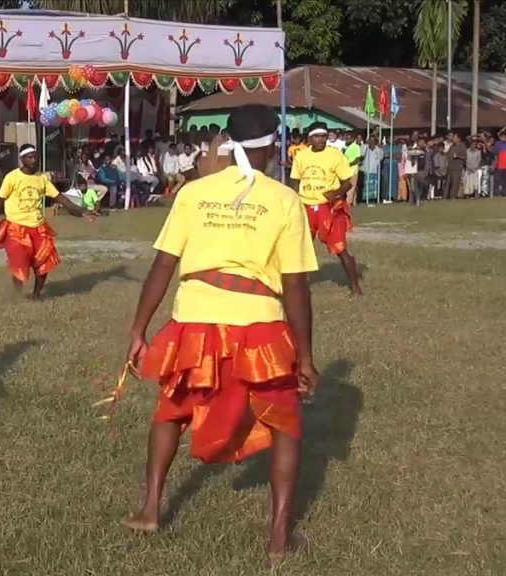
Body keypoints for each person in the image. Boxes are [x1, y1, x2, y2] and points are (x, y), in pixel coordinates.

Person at [122, 104, 319, 564]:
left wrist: (138, 329)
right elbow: (295, 284)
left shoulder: (194, 192)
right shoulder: (285, 200)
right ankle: (278, 538)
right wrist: (305, 357)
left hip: (194, 320)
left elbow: (163, 264)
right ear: (271, 147)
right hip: (259, 325)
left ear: (229, 145)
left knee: (171, 411)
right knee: (285, 423)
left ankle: (150, 510)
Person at [0, 144, 97, 300]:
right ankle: (16, 293)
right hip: (16, 227)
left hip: (39, 227)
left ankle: (36, 295)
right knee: (19, 263)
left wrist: (82, 211)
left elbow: (60, 198)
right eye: (30, 157)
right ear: (22, 159)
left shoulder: (42, 178)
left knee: (44, 262)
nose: (34, 160)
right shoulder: (12, 177)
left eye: (35, 157)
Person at [290, 122, 363, 295]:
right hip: (306, 207)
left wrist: (335, 193)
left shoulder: (335, 155)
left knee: (340, 249)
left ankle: (355, 288)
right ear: (310, 138)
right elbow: (294, 181)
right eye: (317, 136)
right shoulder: (301, 156)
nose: (321, 140)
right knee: (299, 248)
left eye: (324, 136)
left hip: (327, 208)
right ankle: (296, 287)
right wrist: (293, 201)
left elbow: (347, 182)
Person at [360, 136, 383, 204]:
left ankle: (374, 198)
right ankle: (366, 199)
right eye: (370, 140)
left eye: (373, 140)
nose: (372, 142)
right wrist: (365, 145)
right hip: (367, 169)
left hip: (375, 170)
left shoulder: (378, 149)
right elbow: (362, 154)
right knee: (367, 185)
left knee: (374, 185)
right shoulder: (365, 147)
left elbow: (381, 157)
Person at [446, 132, 467, 200]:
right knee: (448, 182)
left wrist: (457, 156)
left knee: (455, 182)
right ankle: (445, 196)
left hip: (457, 167)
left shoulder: (462, 146)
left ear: (458, 139)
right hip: (450, 166)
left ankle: (453, 196)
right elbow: (448, 154)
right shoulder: (452, 146)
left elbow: (465, 157)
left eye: (454, 138)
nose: (453, 139)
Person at [343, 133, 362, 205]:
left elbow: (357, 158)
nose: (346, 140)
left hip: (353, 169)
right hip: (347, 169)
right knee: (351, 186)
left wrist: (349, 164)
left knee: (351, 185)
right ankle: (354, 201)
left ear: (352, 139)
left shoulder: (355, 146)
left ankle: (348, 201)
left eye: (348, 139)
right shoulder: (347, 147)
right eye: (346, 139)